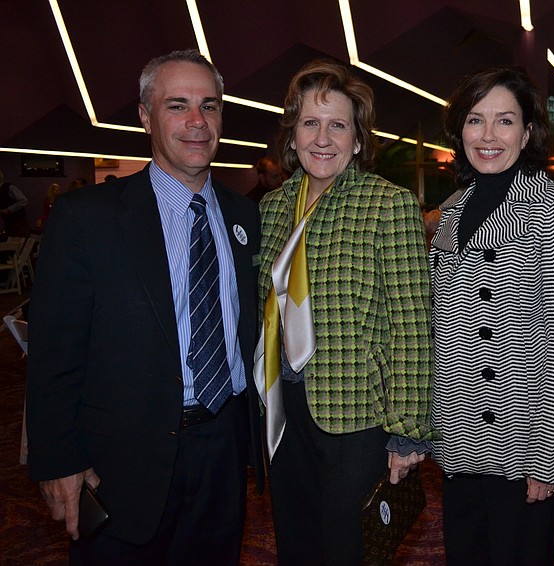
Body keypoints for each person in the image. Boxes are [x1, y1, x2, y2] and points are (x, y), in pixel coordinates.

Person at [26, 49, 263, 564]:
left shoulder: (246, 216)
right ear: (145, 116)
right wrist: (58, 458)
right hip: (120, 459)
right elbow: (54, 352)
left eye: (209, 106)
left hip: (223, 450)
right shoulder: (88, 217)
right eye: (177, 105)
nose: (197, 121)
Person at [255, 59, 436, 564]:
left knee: (349, 551)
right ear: (292, 136)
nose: (322, 138)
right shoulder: (271, 209)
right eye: (309, 123)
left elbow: (412, 326)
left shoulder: (388, 204)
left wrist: (407, 429)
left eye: (338, 125)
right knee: (295, 547)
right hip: (282, 411)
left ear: (357, 140)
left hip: (356, 414)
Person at [429, 66, 554, 565]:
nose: (488, 135)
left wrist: (548, 457)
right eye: (475, 120)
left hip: (521, 444)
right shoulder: (454, 208)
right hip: (459, 437)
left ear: (527, 132)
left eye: (505, 121)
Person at [0, 169, 30, 237]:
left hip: (19, 220)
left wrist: (9, 209)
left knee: (20, 239)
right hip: (7, 221)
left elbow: (24, 201)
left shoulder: (9, 187)